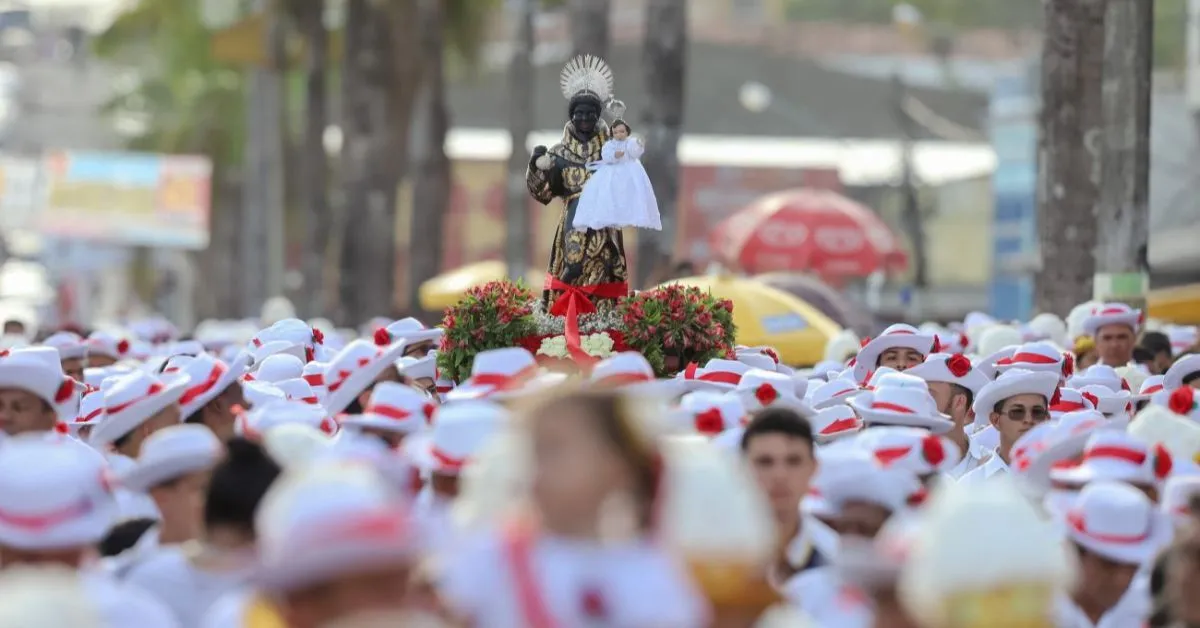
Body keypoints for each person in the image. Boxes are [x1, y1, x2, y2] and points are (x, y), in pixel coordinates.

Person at [440, 388, 706, 627]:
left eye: (555, 449)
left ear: (617, 466)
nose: (537, 468)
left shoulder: (654, 574)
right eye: (535, 451)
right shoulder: (488, 560)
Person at [528, 55, 631, 308]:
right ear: (571, 115)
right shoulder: (559, 154)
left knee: (606, 278)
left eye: (590, 113)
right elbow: (542, 194)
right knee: (569, 274)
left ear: (598, 115)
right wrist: (535, 165)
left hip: (605, 231)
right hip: (570, 232)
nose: (584, 118)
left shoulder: (612, 151)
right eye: (578, 113)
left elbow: (627, 187)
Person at [739, 408, 823, 587]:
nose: (780, 475)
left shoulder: (834, 554)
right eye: (765, 462)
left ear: (814, 467)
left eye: (793, 461)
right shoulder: (712, 554)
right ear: (742, 467)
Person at [571, 119, 661, 232]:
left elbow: (635, 153)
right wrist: (614, 155)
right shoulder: (609, 145)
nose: (619, 134)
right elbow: (606, 155)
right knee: (607, 194)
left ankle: (632, 214)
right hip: (611, 172)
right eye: (616, 132)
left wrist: (639, 145)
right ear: (612, 134)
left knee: (631, 195)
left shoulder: (630, 142)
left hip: (630, 172)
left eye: (622, 131)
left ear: (627, 132)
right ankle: (608, 216)